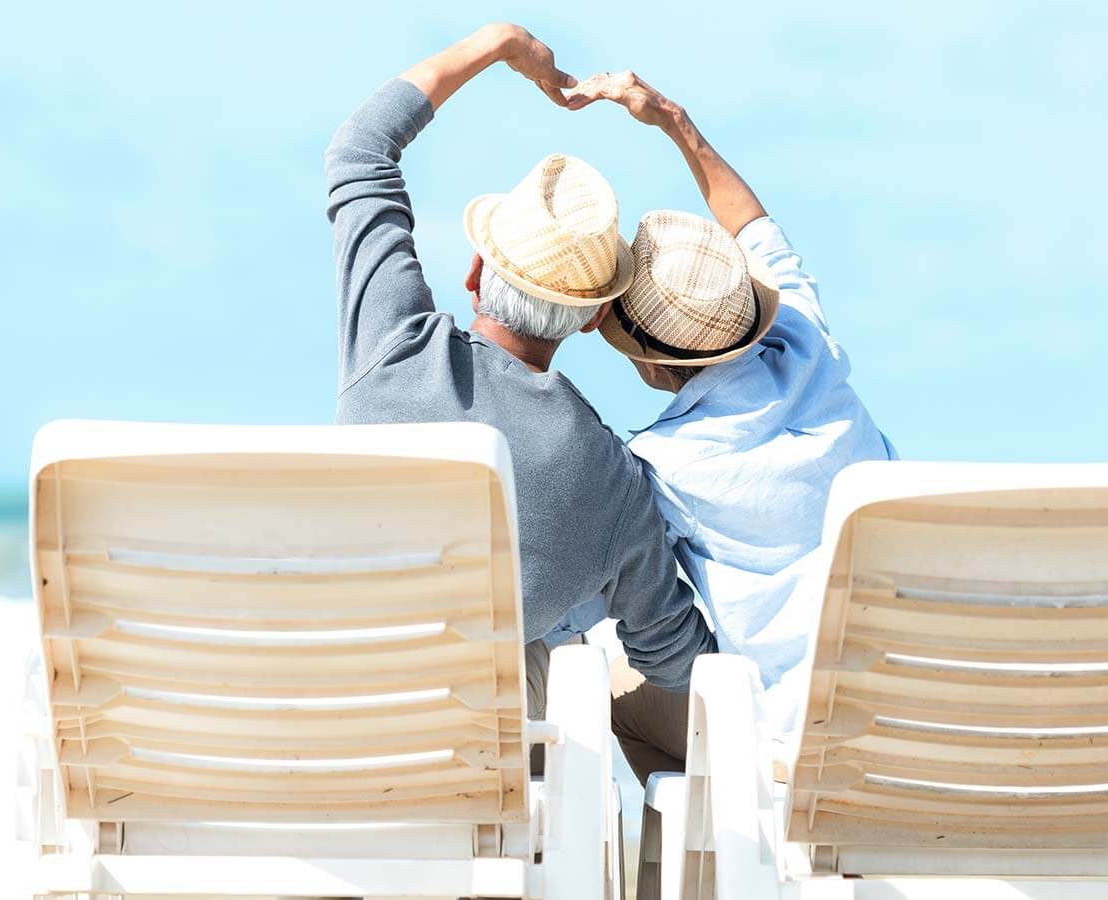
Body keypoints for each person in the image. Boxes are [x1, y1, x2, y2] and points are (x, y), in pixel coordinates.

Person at [325, 27, 717, 722]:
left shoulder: (393, 351)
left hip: (327, 701)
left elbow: (359, 152)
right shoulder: (610, 475)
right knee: (551, 640)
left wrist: (497, 44)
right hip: (475, 765)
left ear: (476, 270)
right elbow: (674, 656)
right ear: (593, 319)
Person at [561, 70, 898, 779]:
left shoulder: (661, 468)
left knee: (608, 683)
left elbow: (583, 596)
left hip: (798, 743)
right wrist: (674, 121)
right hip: (918, 702)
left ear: (650, 363)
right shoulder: (810, 347)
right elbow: (755, 227)